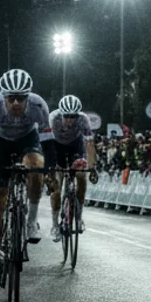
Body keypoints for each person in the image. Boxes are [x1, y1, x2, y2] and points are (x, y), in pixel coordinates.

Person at [0, 68, 55, 284]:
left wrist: (50, 172)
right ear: (4, 97)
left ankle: (30, 222)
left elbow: (48, 144)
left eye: (21, 99)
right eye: (11, 99)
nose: (16, 104)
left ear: (28, 97)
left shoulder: (39, 105)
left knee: (36, 166)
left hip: (27, 139)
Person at [48, 95, 91, 242]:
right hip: (56, 147)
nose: (70, 120)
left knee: (81, 176)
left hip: (75, 147)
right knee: (57, 188)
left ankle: (78, 217)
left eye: (73, 116)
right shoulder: (53, 118)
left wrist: (92, 167)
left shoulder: (83, 119)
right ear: (61, 114)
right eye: (67, 116)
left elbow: (90, 144)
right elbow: (45, 142)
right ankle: (54, 225)